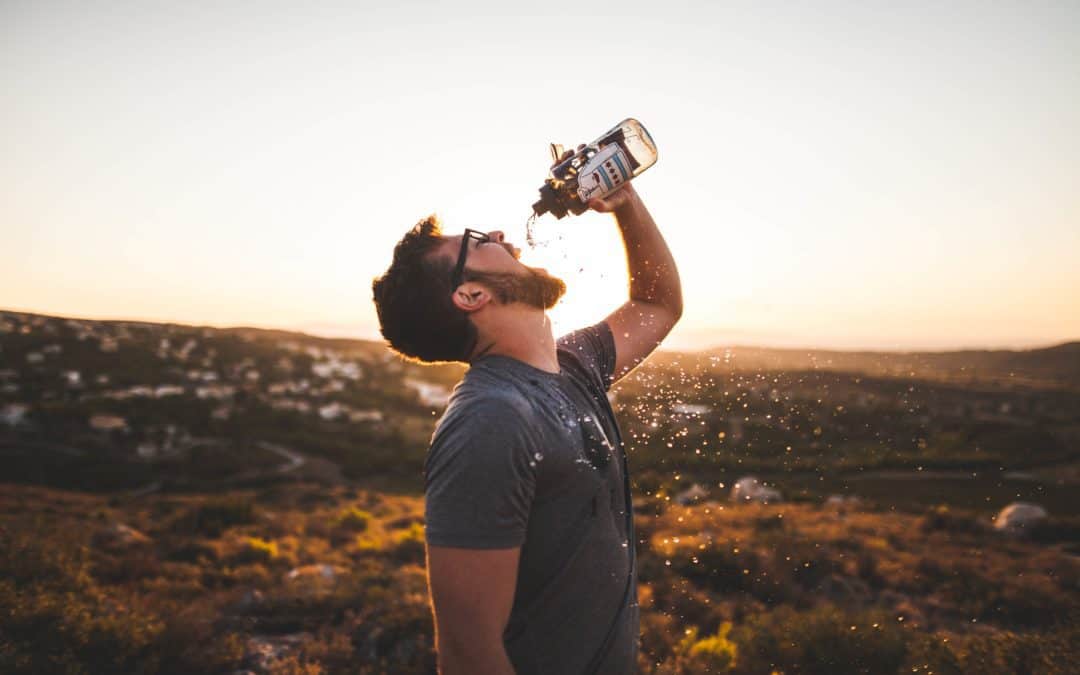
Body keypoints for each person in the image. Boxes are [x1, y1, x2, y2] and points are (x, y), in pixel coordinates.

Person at [371, 179, 681, 674]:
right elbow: (469, 655)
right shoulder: (490, 420)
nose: (498, 233)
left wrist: (625, 203)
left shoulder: (572, 365)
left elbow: (656, 305)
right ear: (470, 294)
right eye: (478, 241)